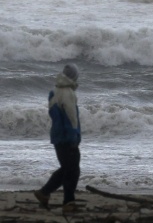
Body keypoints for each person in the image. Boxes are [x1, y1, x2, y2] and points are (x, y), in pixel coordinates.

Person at [33, 63, 82, 214]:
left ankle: (44, 193)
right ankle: (68, 202)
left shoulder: (54, 91)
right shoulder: (68, 92)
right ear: (74, 76)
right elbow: (71, 118)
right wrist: (74, 136)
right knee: (72, 170)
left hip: (57, 135)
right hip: (67, 137)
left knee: (67, 168)